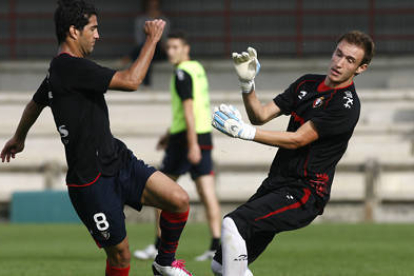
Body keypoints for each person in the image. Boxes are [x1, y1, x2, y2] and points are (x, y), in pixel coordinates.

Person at [0, 1, 193, 276]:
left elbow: (35, 102)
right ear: (73, 32)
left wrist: (19, 138)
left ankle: (164, 263)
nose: (98, 35)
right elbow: (132, 80)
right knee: (121, 256)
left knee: (178, 199)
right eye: (93, 28)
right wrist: (150, 40)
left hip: (117, 160)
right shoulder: (70, 67)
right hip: (91, 181)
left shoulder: (60, 70)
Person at [210, 30, 375, 275]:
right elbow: (260, 115)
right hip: (276, 183)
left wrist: (244, 132)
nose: (339, 63)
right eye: (338, 54)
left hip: (305, 192)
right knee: (221, 265)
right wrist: (247, 84)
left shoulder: (345, 106)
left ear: (361, 68)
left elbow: (298, 140)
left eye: (350, 60)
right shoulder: (307, 83)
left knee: (233, 224)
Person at [133, 31, 222, 262]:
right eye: (168, 48)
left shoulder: (182, 73)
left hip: (186, 141)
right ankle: (216, 246)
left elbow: (188, 109)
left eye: (175, 47)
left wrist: (190, 144)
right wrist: (168, 134)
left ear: (186, 49)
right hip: (203, 137)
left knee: (160, 191)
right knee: (207, 192)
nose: (170, 52)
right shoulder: (198, 69)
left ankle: (159, 245)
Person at [124, 0, 170, 87]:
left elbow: (165, 42)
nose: (153, 9)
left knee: (148, 51)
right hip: (143, 48)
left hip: (159, 50)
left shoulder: (165, 20)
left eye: (155, 7)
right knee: (145, 52)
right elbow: (138, 41)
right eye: (151, 6)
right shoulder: (140, 20)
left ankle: (130, 57)